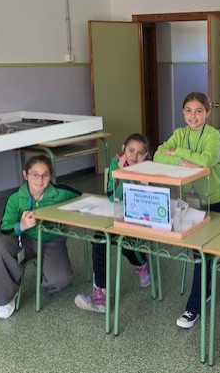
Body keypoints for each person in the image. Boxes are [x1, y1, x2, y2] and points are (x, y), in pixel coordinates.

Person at [153, 91, 220, 329]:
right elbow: (157, 155)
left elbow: (205, 162)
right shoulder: (179, 133)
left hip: (211, 198)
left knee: (201, 251)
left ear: (208, 113)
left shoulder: (213, 135)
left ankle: (194, 305)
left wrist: (179, 153)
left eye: (199, 111)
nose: (193, 116)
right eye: (188, 111)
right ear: (182, 112)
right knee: (199, 250)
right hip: (187, 198)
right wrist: (182, 162)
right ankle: (205, 287)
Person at [0, 155, 81, 319]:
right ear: (25, 175)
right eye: (34, 174)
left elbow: (84, 199)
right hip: (24, 239)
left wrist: (68, 221)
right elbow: (4, 228)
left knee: (61, 279)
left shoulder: (61, 192)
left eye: (45, 175)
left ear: (51, 175)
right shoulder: (15, 198)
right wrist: (21, 226)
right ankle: (6, 298)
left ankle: (46, 280)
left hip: (51, 240)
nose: (40, 180)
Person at [74, 133, 152, 313]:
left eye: (140, 153)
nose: (134, 156)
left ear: (146, 155)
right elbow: (113, 196)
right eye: (131, 150)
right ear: (123, 149)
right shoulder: (115, 165)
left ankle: (141, 264)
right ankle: (100, 295)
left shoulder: (148, 168)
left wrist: (141, 177)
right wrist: (123, 173)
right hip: (116, 214)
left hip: (140, 217)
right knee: (100, 239)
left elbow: (147, 199)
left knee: (128, 244)